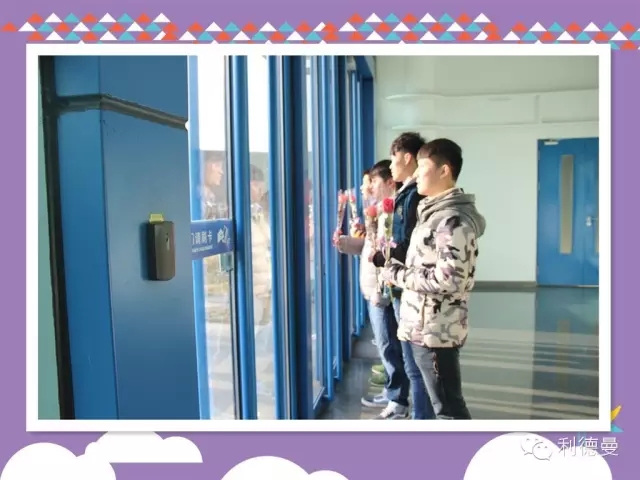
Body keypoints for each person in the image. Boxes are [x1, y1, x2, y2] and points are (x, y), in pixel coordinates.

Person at [381, 138, 486, 420]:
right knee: (443, 405)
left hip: (436, 331)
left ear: (444, 171)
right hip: (424, 325)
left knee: (449, 410)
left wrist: (397, 274)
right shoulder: (433, 213)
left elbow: (449, 280)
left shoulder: (453, 220)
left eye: (423, 167)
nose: (416, 174)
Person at [335, 160, 410, 419]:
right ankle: (393, 393)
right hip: (375, 290)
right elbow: (370, 248)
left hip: (382, 292)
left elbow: (386, 256)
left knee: (390, 347)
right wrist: (345, 243)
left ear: (389, 182)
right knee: (387, 347)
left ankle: (398, 400)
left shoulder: (392, 214)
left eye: (374, 182)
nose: (370, 188)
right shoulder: (377, 211)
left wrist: (380, 290)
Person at [371, 132, 434, 420]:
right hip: (402, 283)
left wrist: (385, 259)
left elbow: (407, 243)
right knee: (414, 365)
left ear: (407, 157)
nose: (391, 165)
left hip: (406, 285)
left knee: (415, 366)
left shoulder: (412, 195)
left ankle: (422, 423)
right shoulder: (408, 193)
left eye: (394, 158)